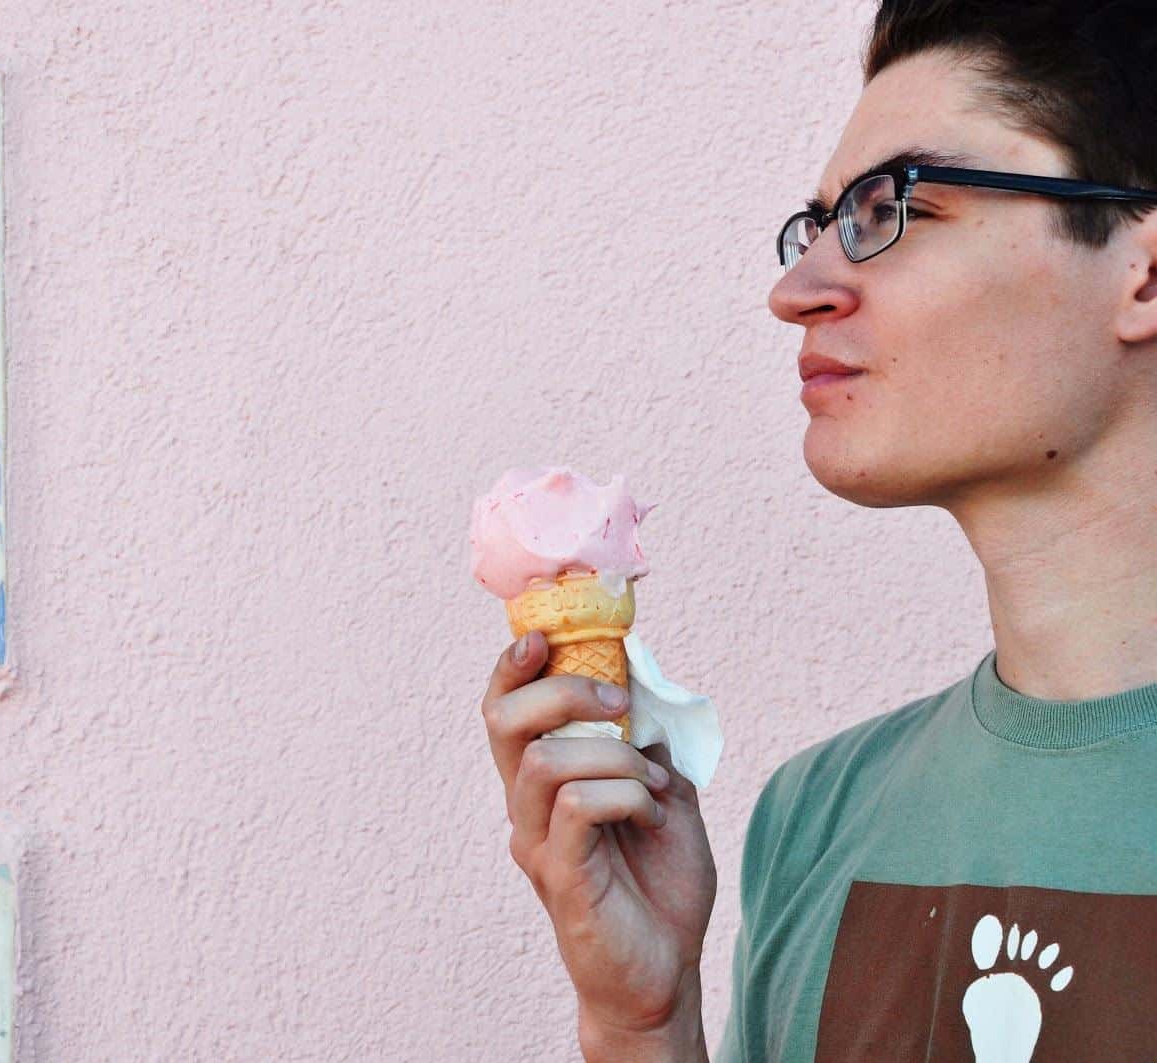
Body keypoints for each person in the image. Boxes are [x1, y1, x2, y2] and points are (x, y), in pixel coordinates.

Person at [479, 1, 1157, 1059]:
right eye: (820, 224)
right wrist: (639, 1021)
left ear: (1143, 269)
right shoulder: (815, 819)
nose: (793, 292)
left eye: (893, 209)